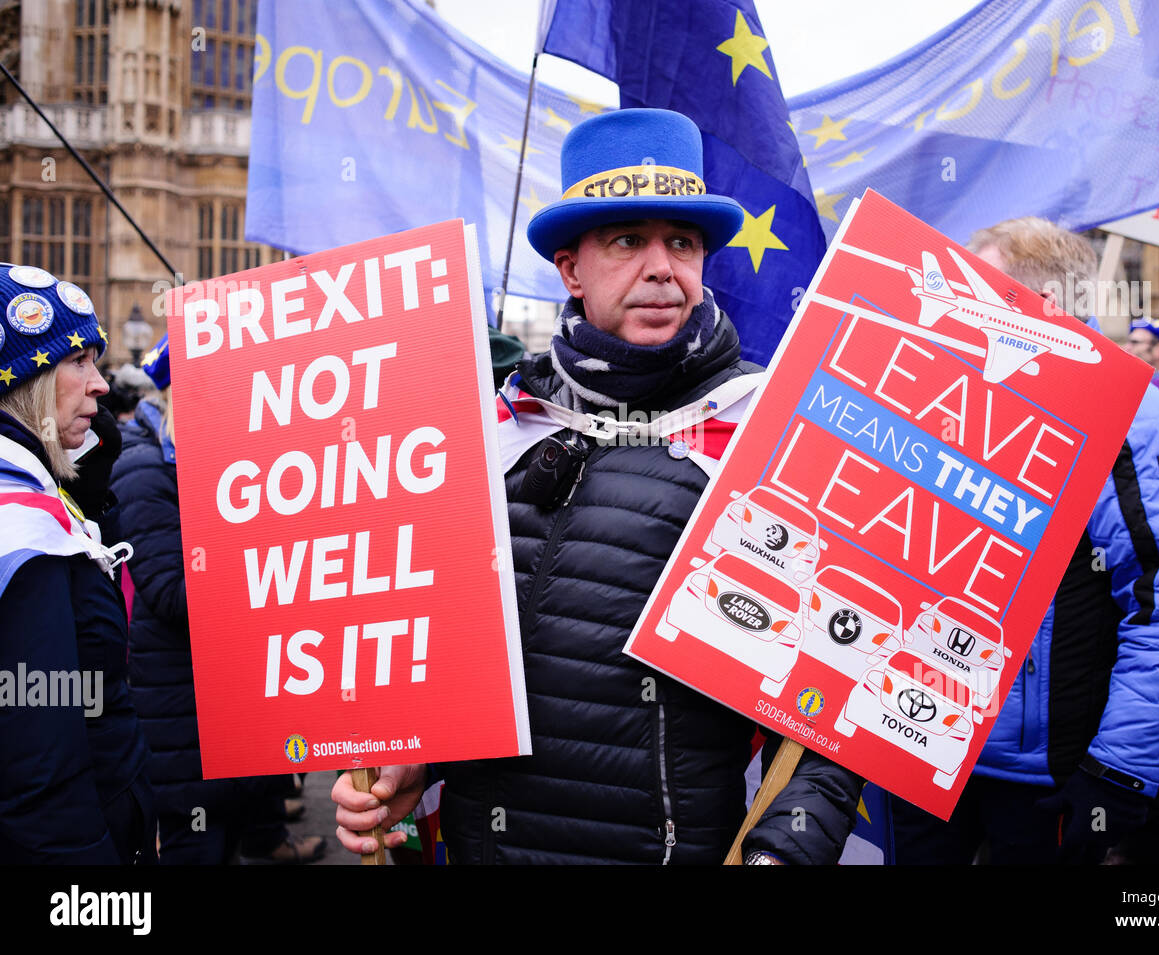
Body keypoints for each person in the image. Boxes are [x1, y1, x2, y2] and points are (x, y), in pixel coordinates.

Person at [333, 108, 860, 864]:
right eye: (626, 240)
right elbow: (453, 668)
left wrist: (784, 849)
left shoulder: (766, 434)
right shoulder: (495, 431)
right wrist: (416, 760)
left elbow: (837, 698)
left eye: (681, 242)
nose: (660, 266)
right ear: (571, 270)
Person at [890, 218, 1159, 864]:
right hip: (924, 744)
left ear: (1046, 306)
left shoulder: (1129, 411)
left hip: (1045, 779)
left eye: (986, 287)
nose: (965, 302)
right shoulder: (950, 386)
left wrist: (1117, 771)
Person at [110, 335, 326, 864]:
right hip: (180, 699)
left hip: (222, 699)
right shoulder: (144, 468)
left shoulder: (204, 460)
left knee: (224, 832)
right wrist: (278, 566)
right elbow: (171, 591)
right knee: (195, 843)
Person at [0, 263, 155, 863]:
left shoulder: (42, 495)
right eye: (79, 361)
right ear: (26, 380)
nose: (102, 385)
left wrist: (90, 492)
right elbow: (40, 772)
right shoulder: (20, 530)